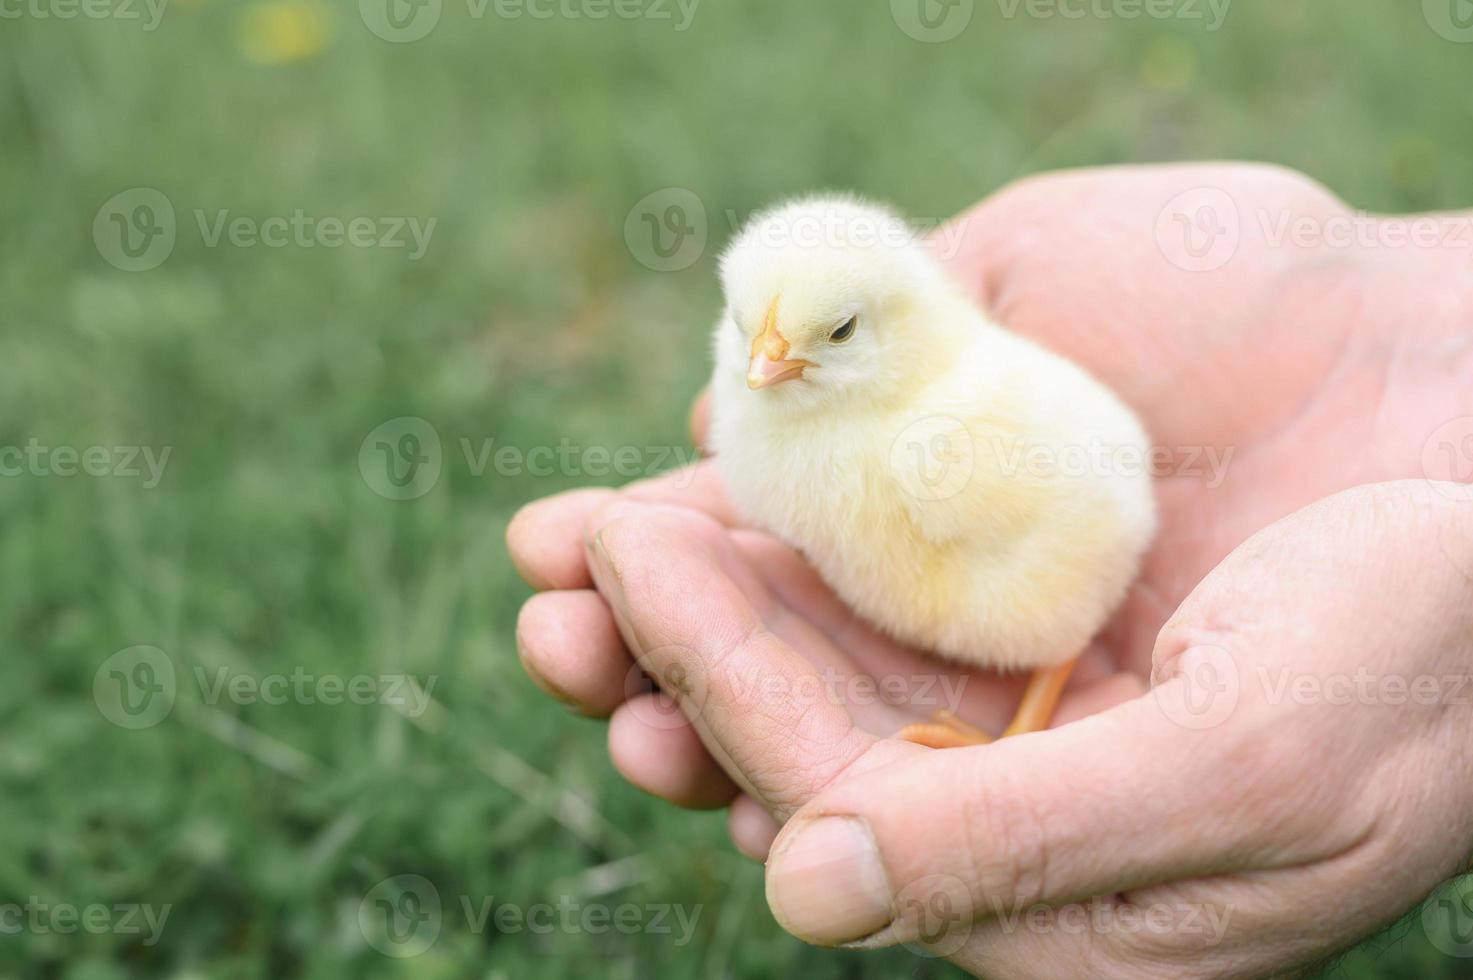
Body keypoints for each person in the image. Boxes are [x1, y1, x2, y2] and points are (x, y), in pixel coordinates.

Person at [506, 163, 1473, 978]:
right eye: (751, 327)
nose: (765, 361)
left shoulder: (943, 434)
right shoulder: (785, 387)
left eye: (829, 336)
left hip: (1060, 548)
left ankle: (1031, 701)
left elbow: (1088, 511)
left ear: (885, 323)